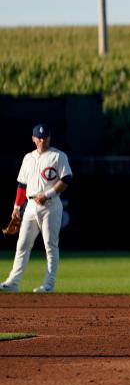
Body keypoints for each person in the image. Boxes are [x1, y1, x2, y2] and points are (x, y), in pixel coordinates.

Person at [1, 124, 73, 293]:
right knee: (22, 244)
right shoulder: (28, 158)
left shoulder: (58, 156)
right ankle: (13, 282)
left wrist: (47, 194)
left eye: (45, 137)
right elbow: (21, 184)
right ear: (33, 139)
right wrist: (17, 206)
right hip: (31, 205)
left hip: (51, 205)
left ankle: (48, 284)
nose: (42, 140)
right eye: (39, 137)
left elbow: (67, 179)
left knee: (50, 245)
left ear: (49, 137)